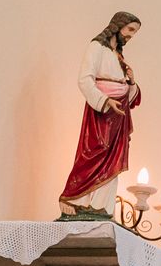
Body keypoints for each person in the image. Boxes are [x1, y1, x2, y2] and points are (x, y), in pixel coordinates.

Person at [59, 12, 142, 219]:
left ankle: (101, 207)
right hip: (101, 114)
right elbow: (84, 80)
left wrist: (131, 82)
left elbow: (129, 95)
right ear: (118, 25)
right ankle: (74, 198)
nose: (131, 35)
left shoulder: (118, 56)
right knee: (94, 152)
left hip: (118, 115)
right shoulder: (96, 47)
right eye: (130, 29)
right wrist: (105, 101)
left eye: (135, 32)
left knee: (112, 161)